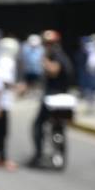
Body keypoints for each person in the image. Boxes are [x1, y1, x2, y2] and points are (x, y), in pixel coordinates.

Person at [29, 30, 74, 168]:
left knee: (37, 126)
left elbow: (54, 71)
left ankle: (38, 155)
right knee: (58, 127)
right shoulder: (61, 55)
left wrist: (44, 61)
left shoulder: (55, 56)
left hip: (54, 99)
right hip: (61, 98)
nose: (46, 46)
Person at [0, 37, 20, 170]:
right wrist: (16, 87)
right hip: (2, 102)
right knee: (2, 131)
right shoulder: (6, 62)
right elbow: (3, 82)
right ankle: (1, 157)